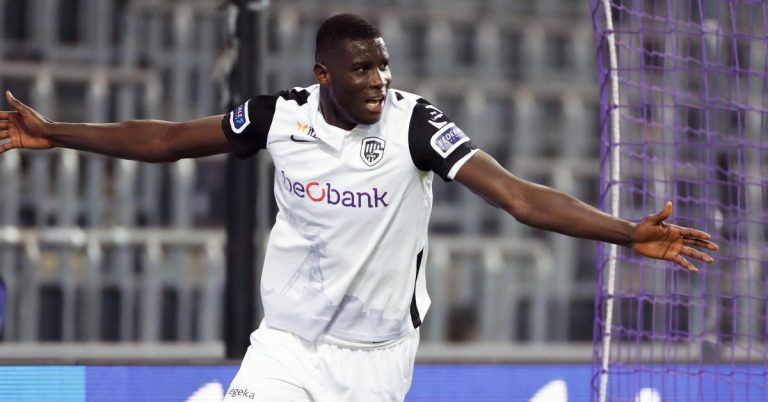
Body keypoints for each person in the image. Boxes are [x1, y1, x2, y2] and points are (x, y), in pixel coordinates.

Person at [0, 13, 717, 402]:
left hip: (376, 361)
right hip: (287, 344)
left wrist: (626, 233)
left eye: (383, 65)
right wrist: (54, 132)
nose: (379, 79)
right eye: (363, 68)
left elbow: (519, 198)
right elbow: (165, 140)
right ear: (324, 75)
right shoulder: (279, 117)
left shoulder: (416, 125)